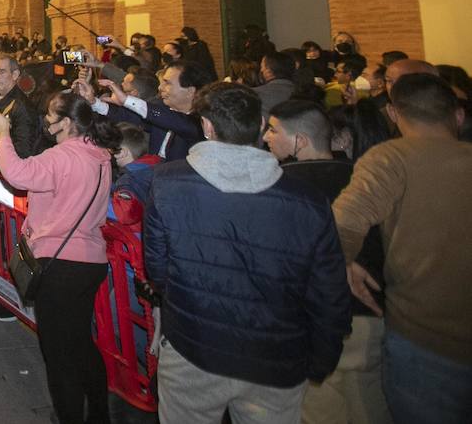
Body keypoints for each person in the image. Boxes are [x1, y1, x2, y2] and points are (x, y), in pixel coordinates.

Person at [145, 82, 349, 424]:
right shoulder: (307, 200)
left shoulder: (168, 183)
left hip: (194, 349)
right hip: (276, 358)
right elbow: (329, 290)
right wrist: (322, 357)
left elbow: (158, 269)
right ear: (258, 126)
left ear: (207, 127)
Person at [331, 74, 472, 423]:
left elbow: (341, 227)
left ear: (393, 114)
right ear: (457, 116)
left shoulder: (390, 159)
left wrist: (346, 261)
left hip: (424, 340)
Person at [262, 100, 391, 424]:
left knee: (319, 411)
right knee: (371, 404)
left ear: (300, 141)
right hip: (373, 317)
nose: (265, 137)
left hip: (312, 321)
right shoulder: (364, 177)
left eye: (274, 130)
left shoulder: (278, 186)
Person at [0, 90, 118, 424]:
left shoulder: (62, 156)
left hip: (60, 264)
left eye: (51, 117)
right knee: (80, 342)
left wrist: (3, 134)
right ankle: (99, 414)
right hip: (90, 262)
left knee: (59, 355)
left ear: (66, 123)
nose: (46, 122)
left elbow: (17, 173)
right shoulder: (100, 155)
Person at [92, 62, 206, 161]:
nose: (160, 87)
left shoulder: (201, 123)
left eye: (167, 83)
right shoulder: (161, 108)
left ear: (190, 91)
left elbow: (168, 119)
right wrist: (94, 103)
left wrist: (126, 100)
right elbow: (130, 118)